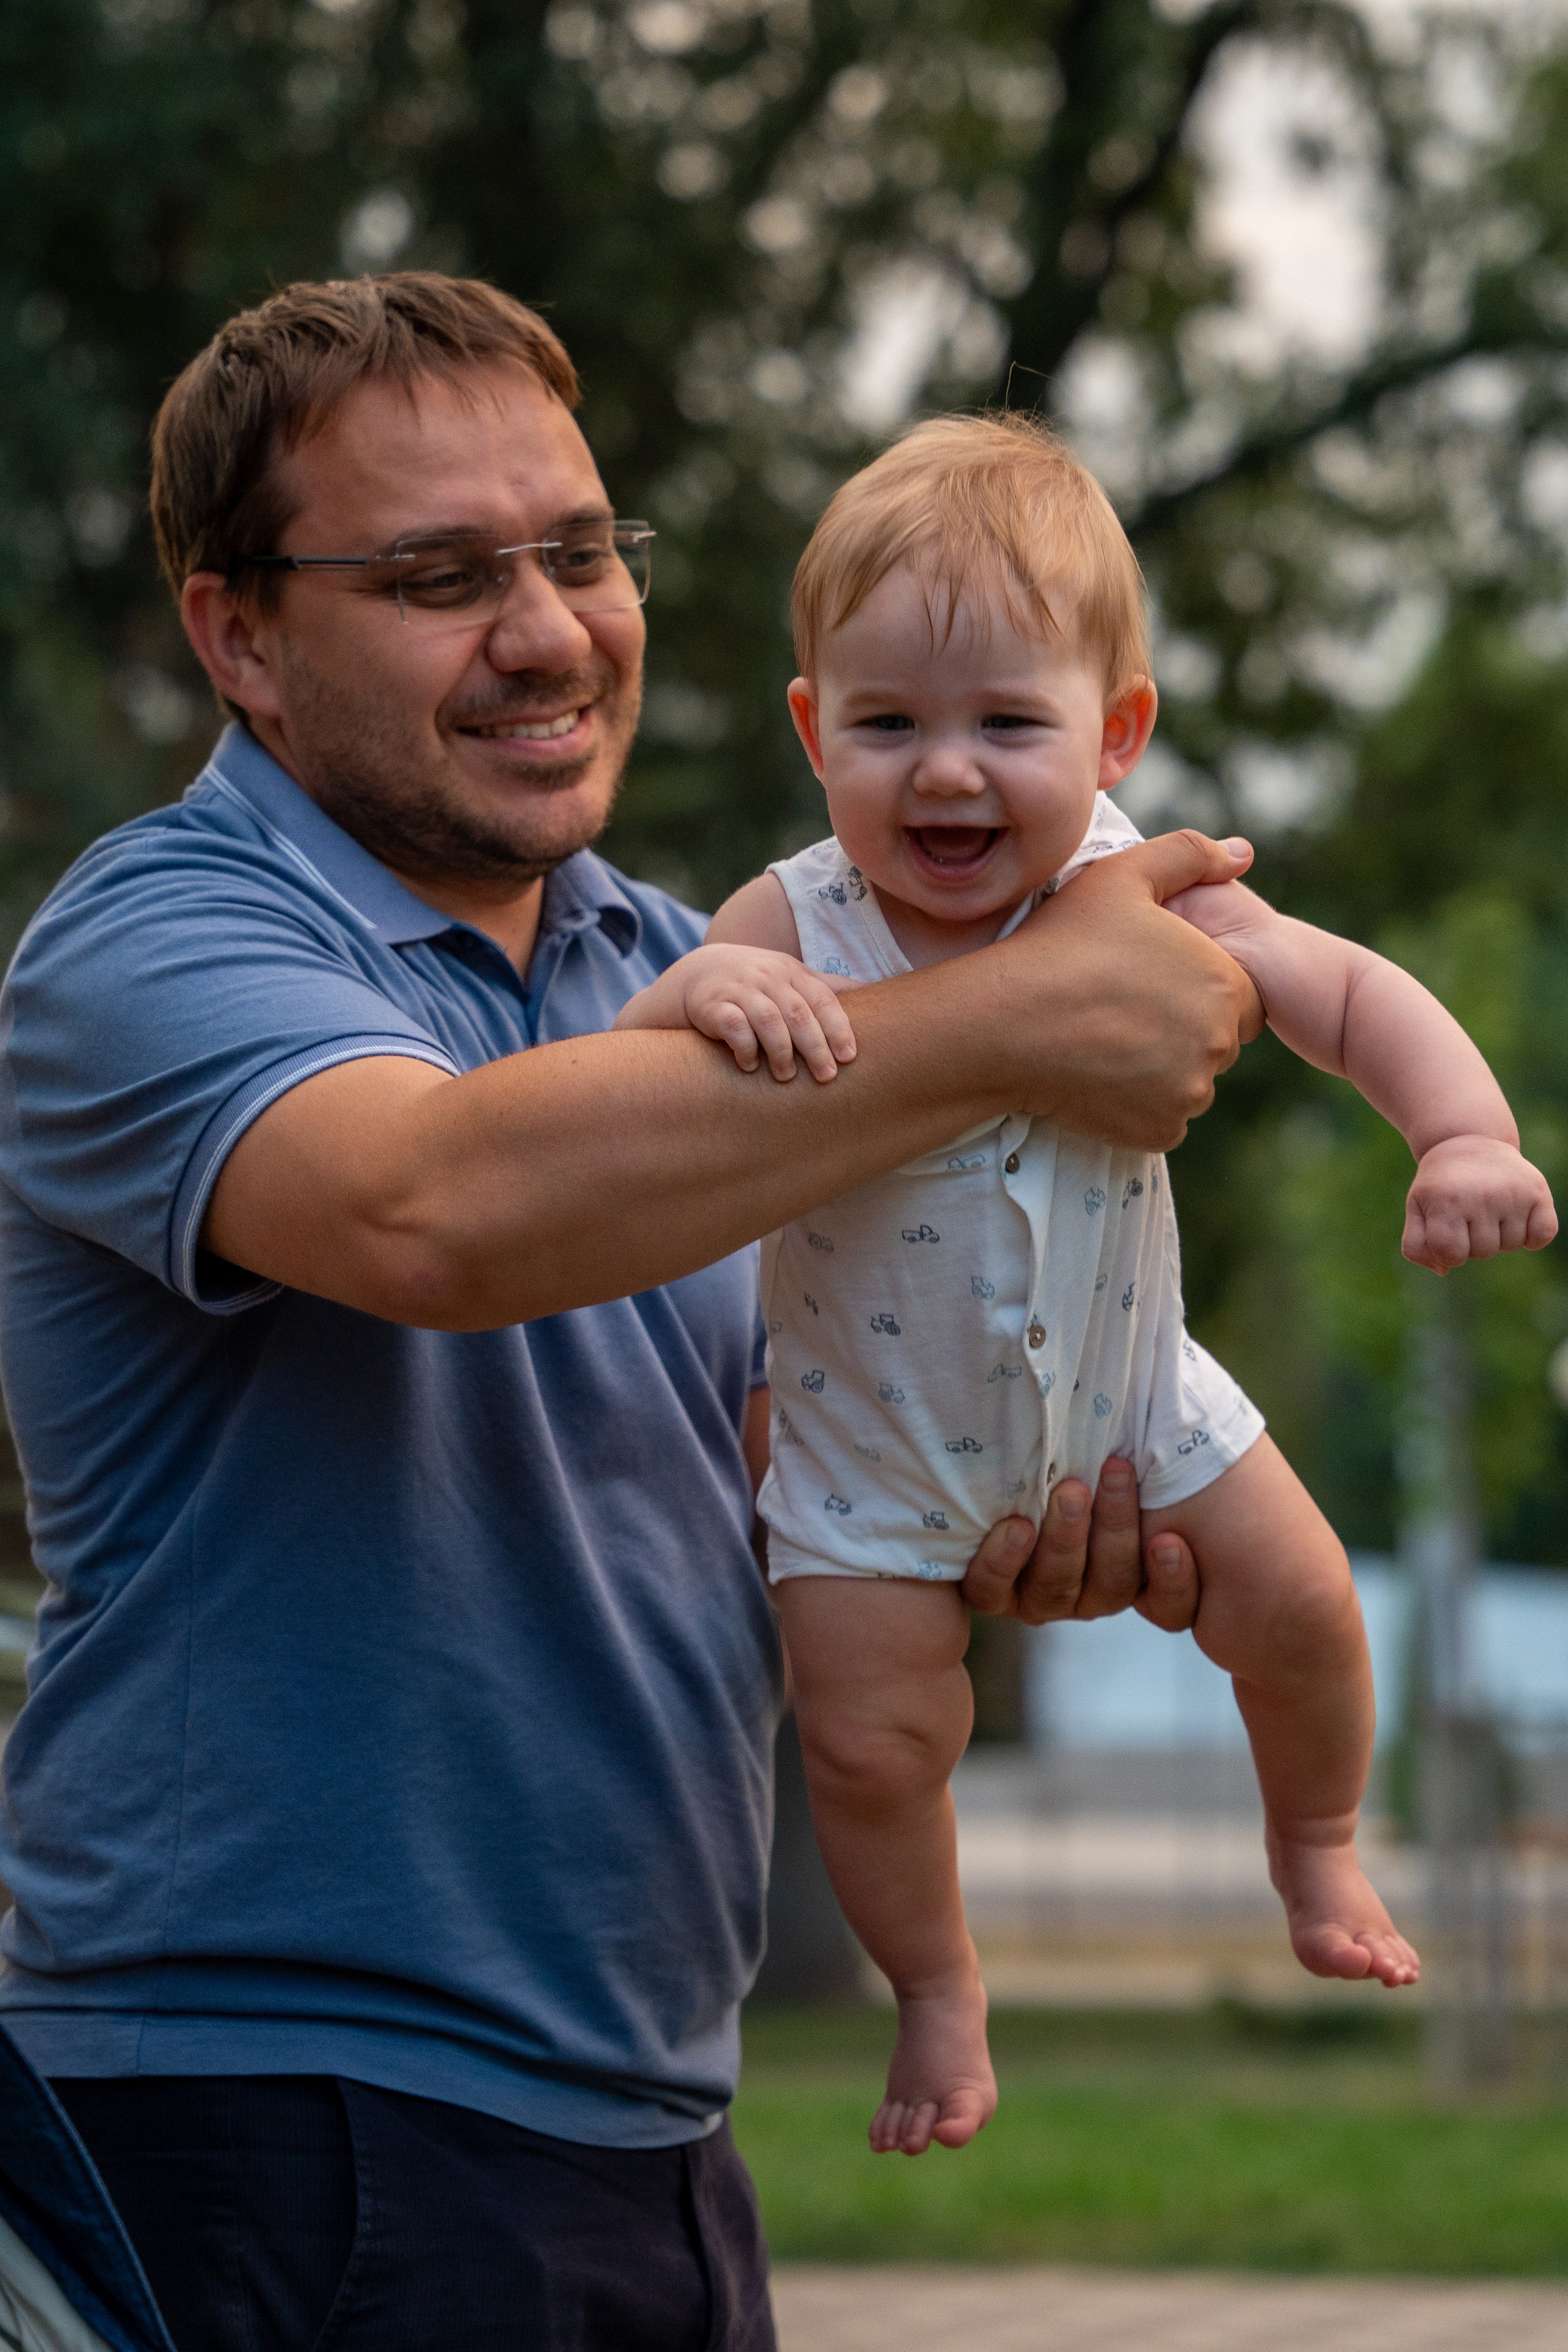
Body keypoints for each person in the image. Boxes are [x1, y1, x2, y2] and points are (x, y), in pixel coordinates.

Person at [0, 274, 1259, 2352]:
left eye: (581, 552)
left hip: (650, 2113)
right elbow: (436, 1212)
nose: (545, 629)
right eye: (436, 574)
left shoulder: (693, 973)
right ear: (239, 636)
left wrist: (1001, 1520)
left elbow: (815, 1442)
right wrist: (1037, 1004)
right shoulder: (147, 941)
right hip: (269, 2114)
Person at [616, 413, 1557, 2160]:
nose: (947, 774)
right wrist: (699, 1005)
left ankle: (1316, 1846)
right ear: (815, 728)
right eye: (888, 725)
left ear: (1114, 730)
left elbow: (1343, 993)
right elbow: (628, 1060)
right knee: (875, 1746)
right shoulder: (790, 922)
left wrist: (1464, 1138)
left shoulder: (1136, 892)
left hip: (1140, 1402)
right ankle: (940, 1993)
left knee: (1305, 1612)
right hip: (868, 1461)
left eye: (1007, 724)